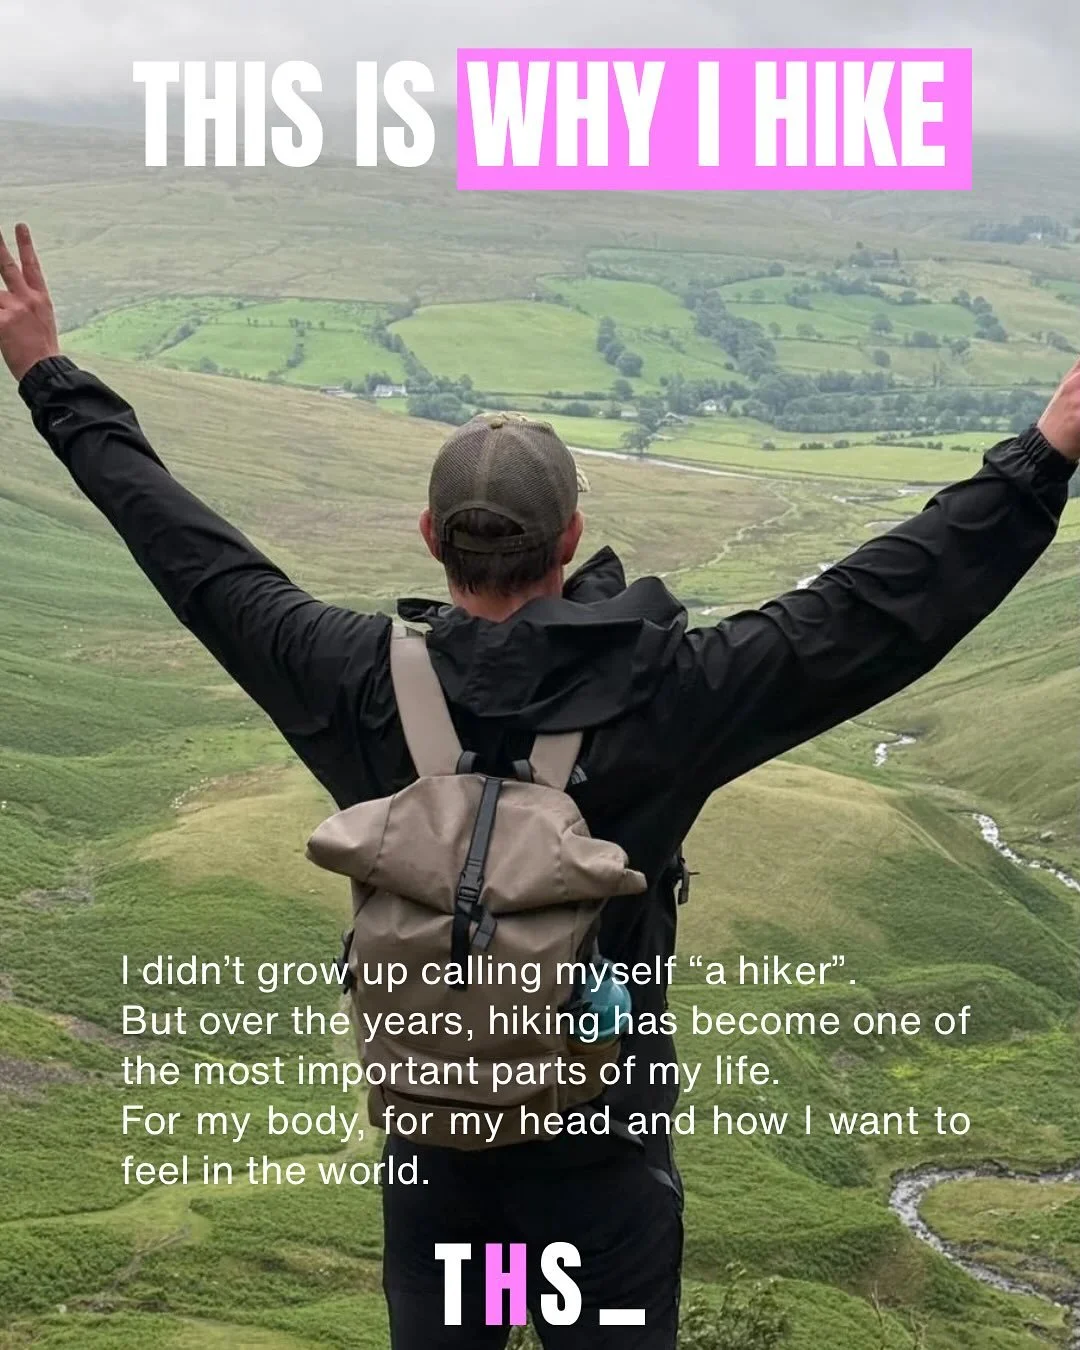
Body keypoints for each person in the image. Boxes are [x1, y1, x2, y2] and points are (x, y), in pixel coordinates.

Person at [1, 223, 1077, 1349]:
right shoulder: (672, 692)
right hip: (599, 1153)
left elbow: (192, 553)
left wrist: (47, 375)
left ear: (432, 539)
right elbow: (874, 608)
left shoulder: (353, 680)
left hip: (433, 1148)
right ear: (570, 539)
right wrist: (1043, 454)